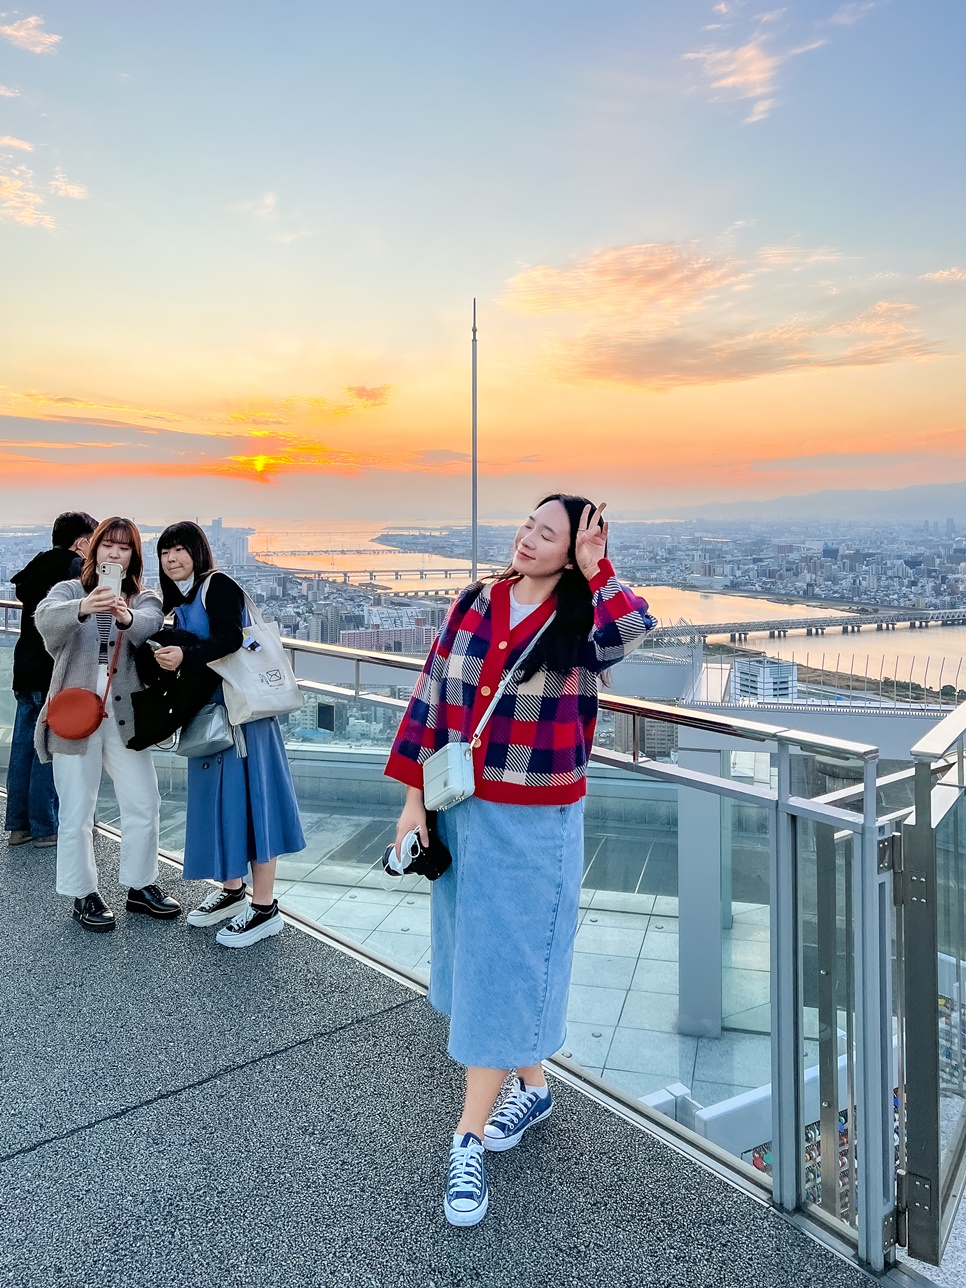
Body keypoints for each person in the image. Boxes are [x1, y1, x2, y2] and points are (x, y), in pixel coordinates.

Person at [385, 494, 656, 1227]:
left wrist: (599, 571)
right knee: (480, 953)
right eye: (526, 526)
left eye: (548, 534)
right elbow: (430, 698)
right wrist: (414, 800)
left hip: (539, 816)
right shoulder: (475, 600)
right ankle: (532, 1087)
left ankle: (466, 1134)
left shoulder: (583, 613)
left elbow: (632, 629)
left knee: (507, 965)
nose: (528, 539)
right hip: (461, 806)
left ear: (574, 551)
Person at [153, 521, 306, 948]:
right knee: (223, 805)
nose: (172, 559)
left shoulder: (217, 585)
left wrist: (185, 651)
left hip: (242, 720)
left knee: (254, 804)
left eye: (180, 549)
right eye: (165, 553)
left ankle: (264, 908)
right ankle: (233, 891)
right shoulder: (180, 600)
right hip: (211, 720)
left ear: (198, 552)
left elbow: (229, 638)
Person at [34, 517, 181, 932]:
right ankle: (83, 893)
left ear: (133, 556)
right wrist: (85, 606)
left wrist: (126, 616)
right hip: (74, 715)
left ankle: (140, 885)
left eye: (125, 548)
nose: (115, 554)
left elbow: (151, 623)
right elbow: (45, 622)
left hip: (123, 717)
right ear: (94, 549)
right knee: (77, 808)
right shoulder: (69, 591)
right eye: (108, 546)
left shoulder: (143, 597)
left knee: (143, 801)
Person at [5, 511, 97, 849]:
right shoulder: (74, 569)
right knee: (50, 748)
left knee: (23, 747)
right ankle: (46, 826)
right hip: (53, 669)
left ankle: (18, 826)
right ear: (82, 541)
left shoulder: (37, 565)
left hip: (25, 666)